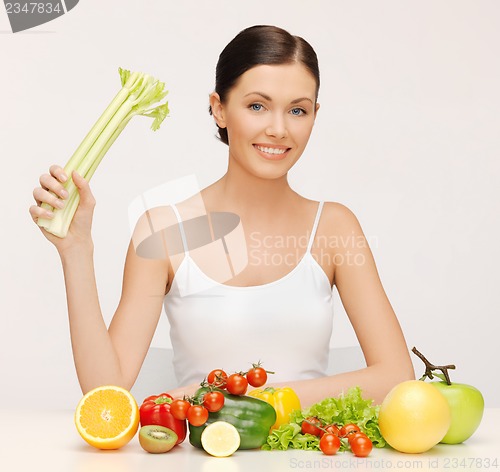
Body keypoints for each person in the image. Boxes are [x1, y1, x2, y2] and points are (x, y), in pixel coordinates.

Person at [29, 25, 415, 406]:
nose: (278, 129)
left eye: (297, 110)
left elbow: (396, 376)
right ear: (219, 109)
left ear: (315, 114)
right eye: (257, 106)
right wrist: (75, 250)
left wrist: (240, 398)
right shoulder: (163, 230)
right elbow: (105, 393)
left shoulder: (334, 227)